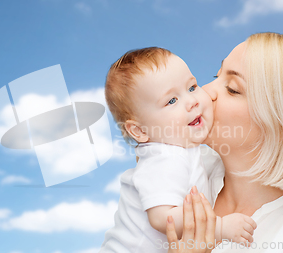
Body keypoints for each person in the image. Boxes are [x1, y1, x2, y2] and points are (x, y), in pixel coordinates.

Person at [167, 32, 283, 252]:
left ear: (282, 126)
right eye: (216, 76)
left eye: (232, 88)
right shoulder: (183, 171)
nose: (205, 92)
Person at [100, 47, 256, 253]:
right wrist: (220, 228)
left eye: (192, 87)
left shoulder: (184, 150)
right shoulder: (165, 158)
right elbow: (162, 218)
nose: (192, 102)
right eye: (171, 101)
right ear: (138, 130)